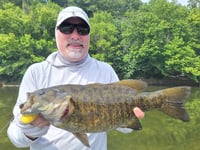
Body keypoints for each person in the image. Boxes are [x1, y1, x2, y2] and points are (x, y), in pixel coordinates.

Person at [7, 6, 144, 150]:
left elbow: (126, 128)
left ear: (89, 35)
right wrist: (30, 130)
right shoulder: (37, 72)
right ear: (56, 33)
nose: (75, 35)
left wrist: (129, 117)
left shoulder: (105, 70)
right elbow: (16, 140)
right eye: (67, 28)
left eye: (82, 29)